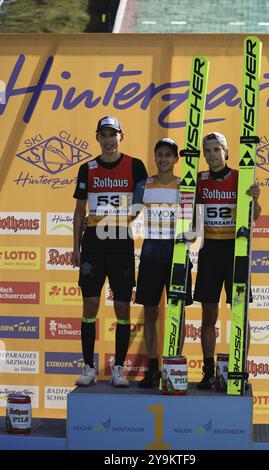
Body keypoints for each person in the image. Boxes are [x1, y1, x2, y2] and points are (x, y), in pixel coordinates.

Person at [72, 116, 147, 387]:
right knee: (90, 305)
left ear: (121, 136)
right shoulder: (87, 168)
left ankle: (118, 368)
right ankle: (89, 367)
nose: (108, 139)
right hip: (93, 244)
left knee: (122, 307)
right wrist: (75, 247)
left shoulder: (135, 166)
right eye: (103, 134)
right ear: (97, 138)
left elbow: (144, 202)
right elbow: (80, 211)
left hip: (120, 243)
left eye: (112, 134)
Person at [193, 132, 261, 390]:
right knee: (208, 315)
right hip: (210, 252)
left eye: (215, 150)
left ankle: (239, 369)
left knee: (240, 314)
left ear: (226, 151)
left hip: (236, 252)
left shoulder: (239, 176)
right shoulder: (200, 179)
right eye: (207, 151)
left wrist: (254, 197)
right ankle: (208, 371)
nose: (211, 155)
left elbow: (254, 216)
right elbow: (191, 215)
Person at [134, 138, 193, 388]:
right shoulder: (143, 185)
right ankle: (152, 366)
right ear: (155, 157)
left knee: (177, 311)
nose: (164, 159)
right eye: (160, 154)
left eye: (169, 155)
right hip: (151, 250)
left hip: (177, 251)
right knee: (150, 310)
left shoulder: (185, 186)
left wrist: (190, 236)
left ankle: (173, 364)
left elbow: (195, 222)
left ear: (176, 159)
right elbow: (126, 217)